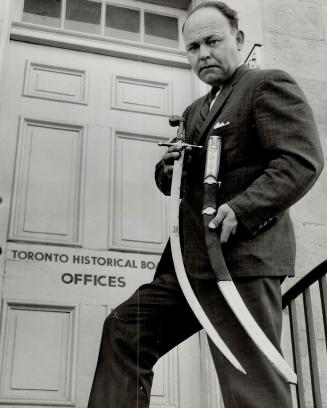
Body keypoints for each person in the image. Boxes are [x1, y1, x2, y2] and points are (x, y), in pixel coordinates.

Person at [87, 2, 324, 408]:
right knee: (125, 329)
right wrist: (168, 169)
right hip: (187, 265)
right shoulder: (194, 111)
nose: (203, 54)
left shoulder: (266, 85)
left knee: (252, 385)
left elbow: (300, 162)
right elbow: (179, 183)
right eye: (193, 47)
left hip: (242, 263)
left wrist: (243, 209)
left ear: (239, 40)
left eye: (213, 41)